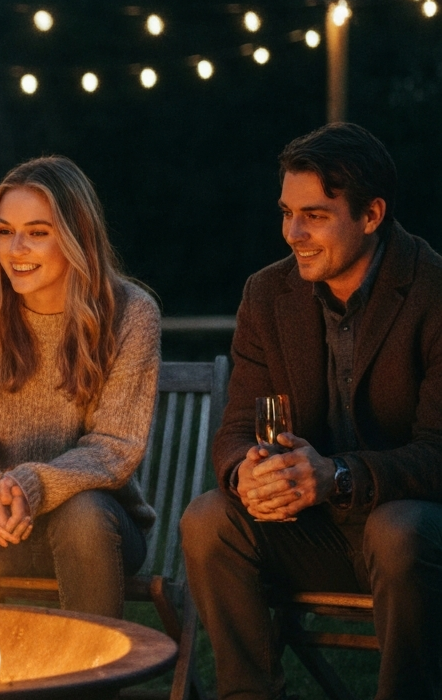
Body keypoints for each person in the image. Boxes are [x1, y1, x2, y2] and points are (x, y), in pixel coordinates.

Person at [181, 123, 442, 699]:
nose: (293, 233)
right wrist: (247, 472)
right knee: (207, 519)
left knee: (397, 530)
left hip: (414, 536)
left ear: (371, 215)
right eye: (287, 213)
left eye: (315, 216)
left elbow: (438, 453)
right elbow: (236, 430)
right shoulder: (267, 294)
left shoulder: (432, 291)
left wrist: (338, 475)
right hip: (312, 535)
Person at [0, 155, 160, 619]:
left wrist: (31, 485)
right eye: (5, 231)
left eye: (37, 232)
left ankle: (95, 666)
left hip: (96, 530)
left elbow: (113, 449)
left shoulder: (132, 313)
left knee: (83, 515)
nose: (16, 249)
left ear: (77, 237)